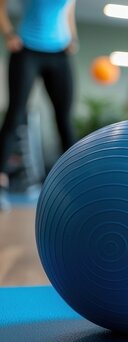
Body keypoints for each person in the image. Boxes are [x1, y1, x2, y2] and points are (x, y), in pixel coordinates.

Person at [0, 0, 78, 211]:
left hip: (60, 52)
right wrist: (9, 34)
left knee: (64, 118)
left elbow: (69, 11)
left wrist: (73, 36)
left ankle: (76, 183)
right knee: (15, 114)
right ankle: (1, 181)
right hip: (27, 49)